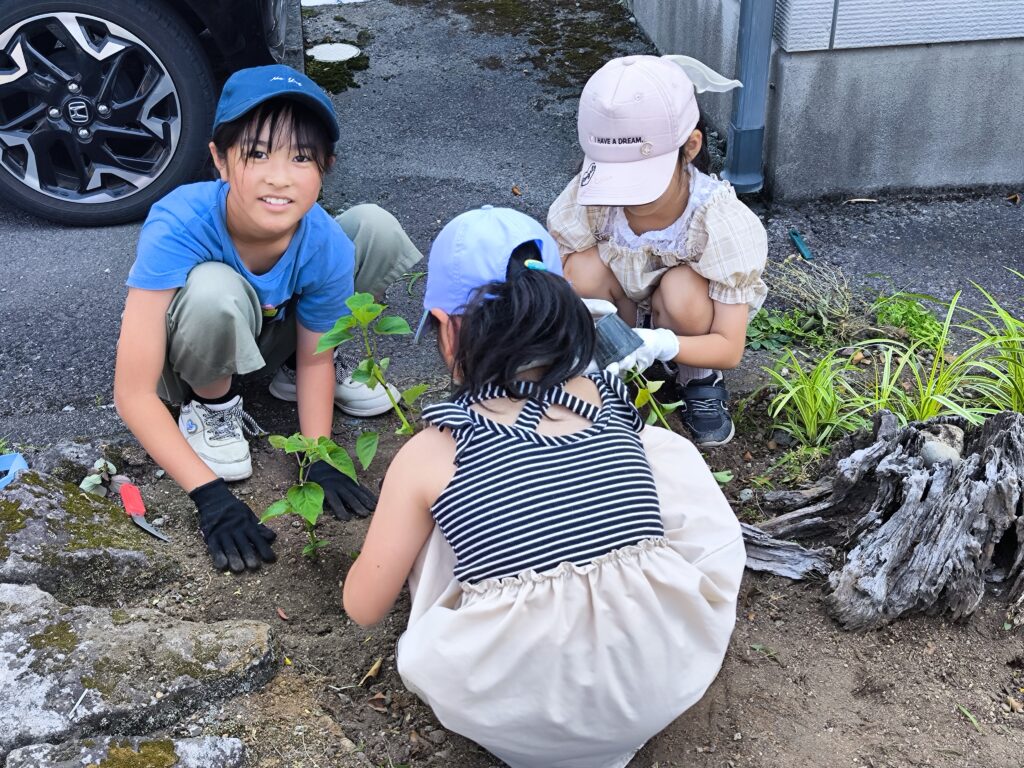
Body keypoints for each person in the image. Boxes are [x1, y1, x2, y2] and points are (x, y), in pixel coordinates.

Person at [343, 205, 745, 768]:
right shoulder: (606, 395)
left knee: (439, 517)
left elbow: (363, 608)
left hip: (514, 711)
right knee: (658, 451)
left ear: (446, 328)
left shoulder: (436, 449)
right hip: (660, 676)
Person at [114, 65, 420, 573]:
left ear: (326, 167)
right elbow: (132, 391)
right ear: (219, 159)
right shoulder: (180, 220)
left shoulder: (322, 241)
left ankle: (285, 379)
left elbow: (318, 358)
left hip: (275, 335)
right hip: (196, 348)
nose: (280, 177)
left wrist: (317, 453)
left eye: (302, 157)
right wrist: (208, 496)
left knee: (373, 227)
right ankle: (212, 408)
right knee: (215, 290)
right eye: (256, 153)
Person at [548, 54, 769, 446]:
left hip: (686, 323)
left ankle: (694, 376)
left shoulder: (717, 221)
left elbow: (731, 347)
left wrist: (661, 343)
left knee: (684, 289)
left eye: (637, 179)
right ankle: (616, 366)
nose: (625, 197)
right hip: (624, 308)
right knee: (578, 270)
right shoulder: (589, 202)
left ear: (691, 146)